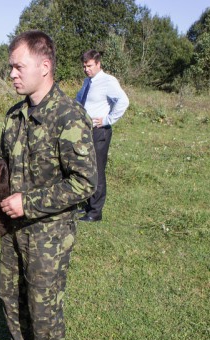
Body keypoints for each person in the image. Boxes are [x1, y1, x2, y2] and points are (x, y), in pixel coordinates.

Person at [0, 30, 97, 340]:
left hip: (48, 233)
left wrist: (28, 203)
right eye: (10, 68)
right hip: (13, 227)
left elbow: (84, 183)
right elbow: (6, 157)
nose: (12, 74)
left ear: (44, 66)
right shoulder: (15, 116)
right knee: (9, 292)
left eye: (19, 67)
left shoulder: (68, 116)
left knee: (43, 303)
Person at [75, 49, 129, 222]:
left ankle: (95, 212)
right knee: (85, 167)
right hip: (85, 131)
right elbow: (80, 101)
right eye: (84, 66)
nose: (86, 69)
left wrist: (107, 119)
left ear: (98, 64)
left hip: (99, 131)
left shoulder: (108, 81)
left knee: (97, 170)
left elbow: (123, 101)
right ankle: (88, 204)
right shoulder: (87, 81)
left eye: (89, 66)